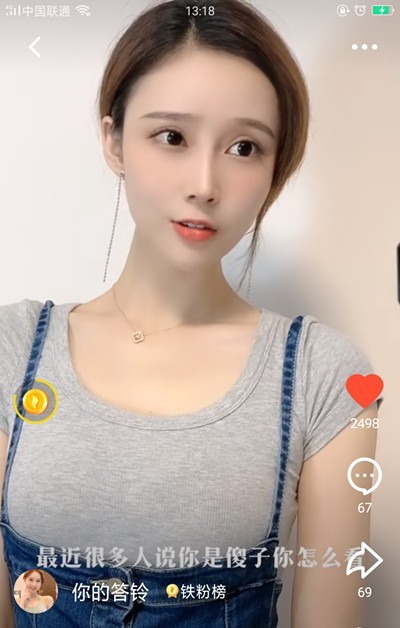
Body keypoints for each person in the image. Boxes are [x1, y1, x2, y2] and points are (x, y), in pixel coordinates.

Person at [0, 1, 384, 626]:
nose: (205, 183)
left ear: (276, 169)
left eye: (244, 147)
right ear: (114, 141)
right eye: (172, 137)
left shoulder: (322, 374)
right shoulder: (15, 347)